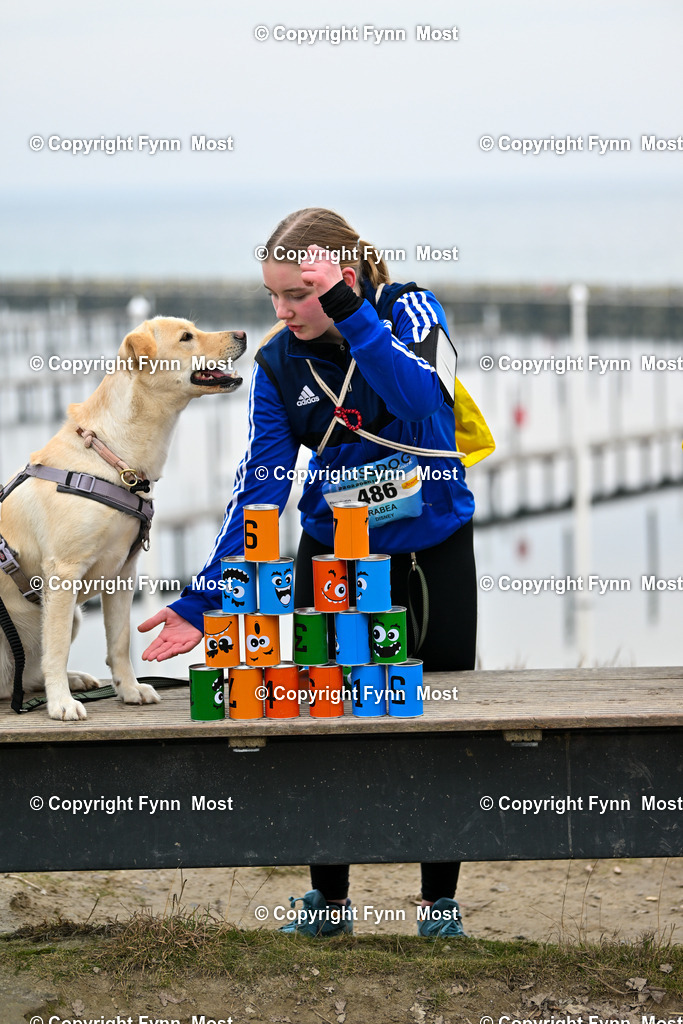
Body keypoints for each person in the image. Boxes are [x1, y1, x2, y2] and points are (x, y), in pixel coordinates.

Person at [139, 207, 479, 939]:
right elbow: (259, 493)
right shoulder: (275, 365)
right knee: (332, 720)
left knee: (445, 720)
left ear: (342, 281)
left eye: (297, 294)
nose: (282, 311)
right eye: (272, 294)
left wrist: (354, 316)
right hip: (334, 557)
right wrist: (204, 602)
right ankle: (329, 903)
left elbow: (426, 405)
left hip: (431, 549)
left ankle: (437, 906)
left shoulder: (409, 311)